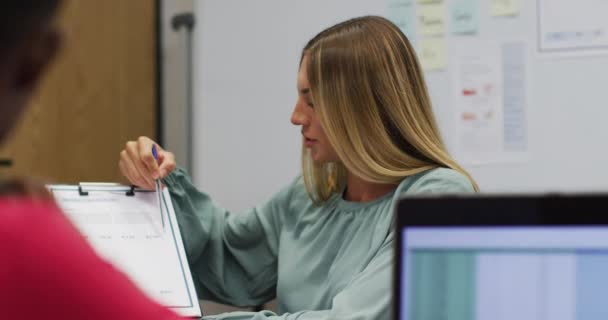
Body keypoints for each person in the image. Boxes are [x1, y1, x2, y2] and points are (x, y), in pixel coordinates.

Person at [120, 16, 479, 319]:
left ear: (363, 108)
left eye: (313, 101)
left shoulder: (438, 198)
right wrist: (164, 184)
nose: (295, 117)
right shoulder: (311, 198)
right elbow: (227, 257)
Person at [0, 1, 184, 319]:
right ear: (37, 60)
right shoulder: (22, 244)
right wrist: (59, 245)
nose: (295, 117)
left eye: (304, 97)